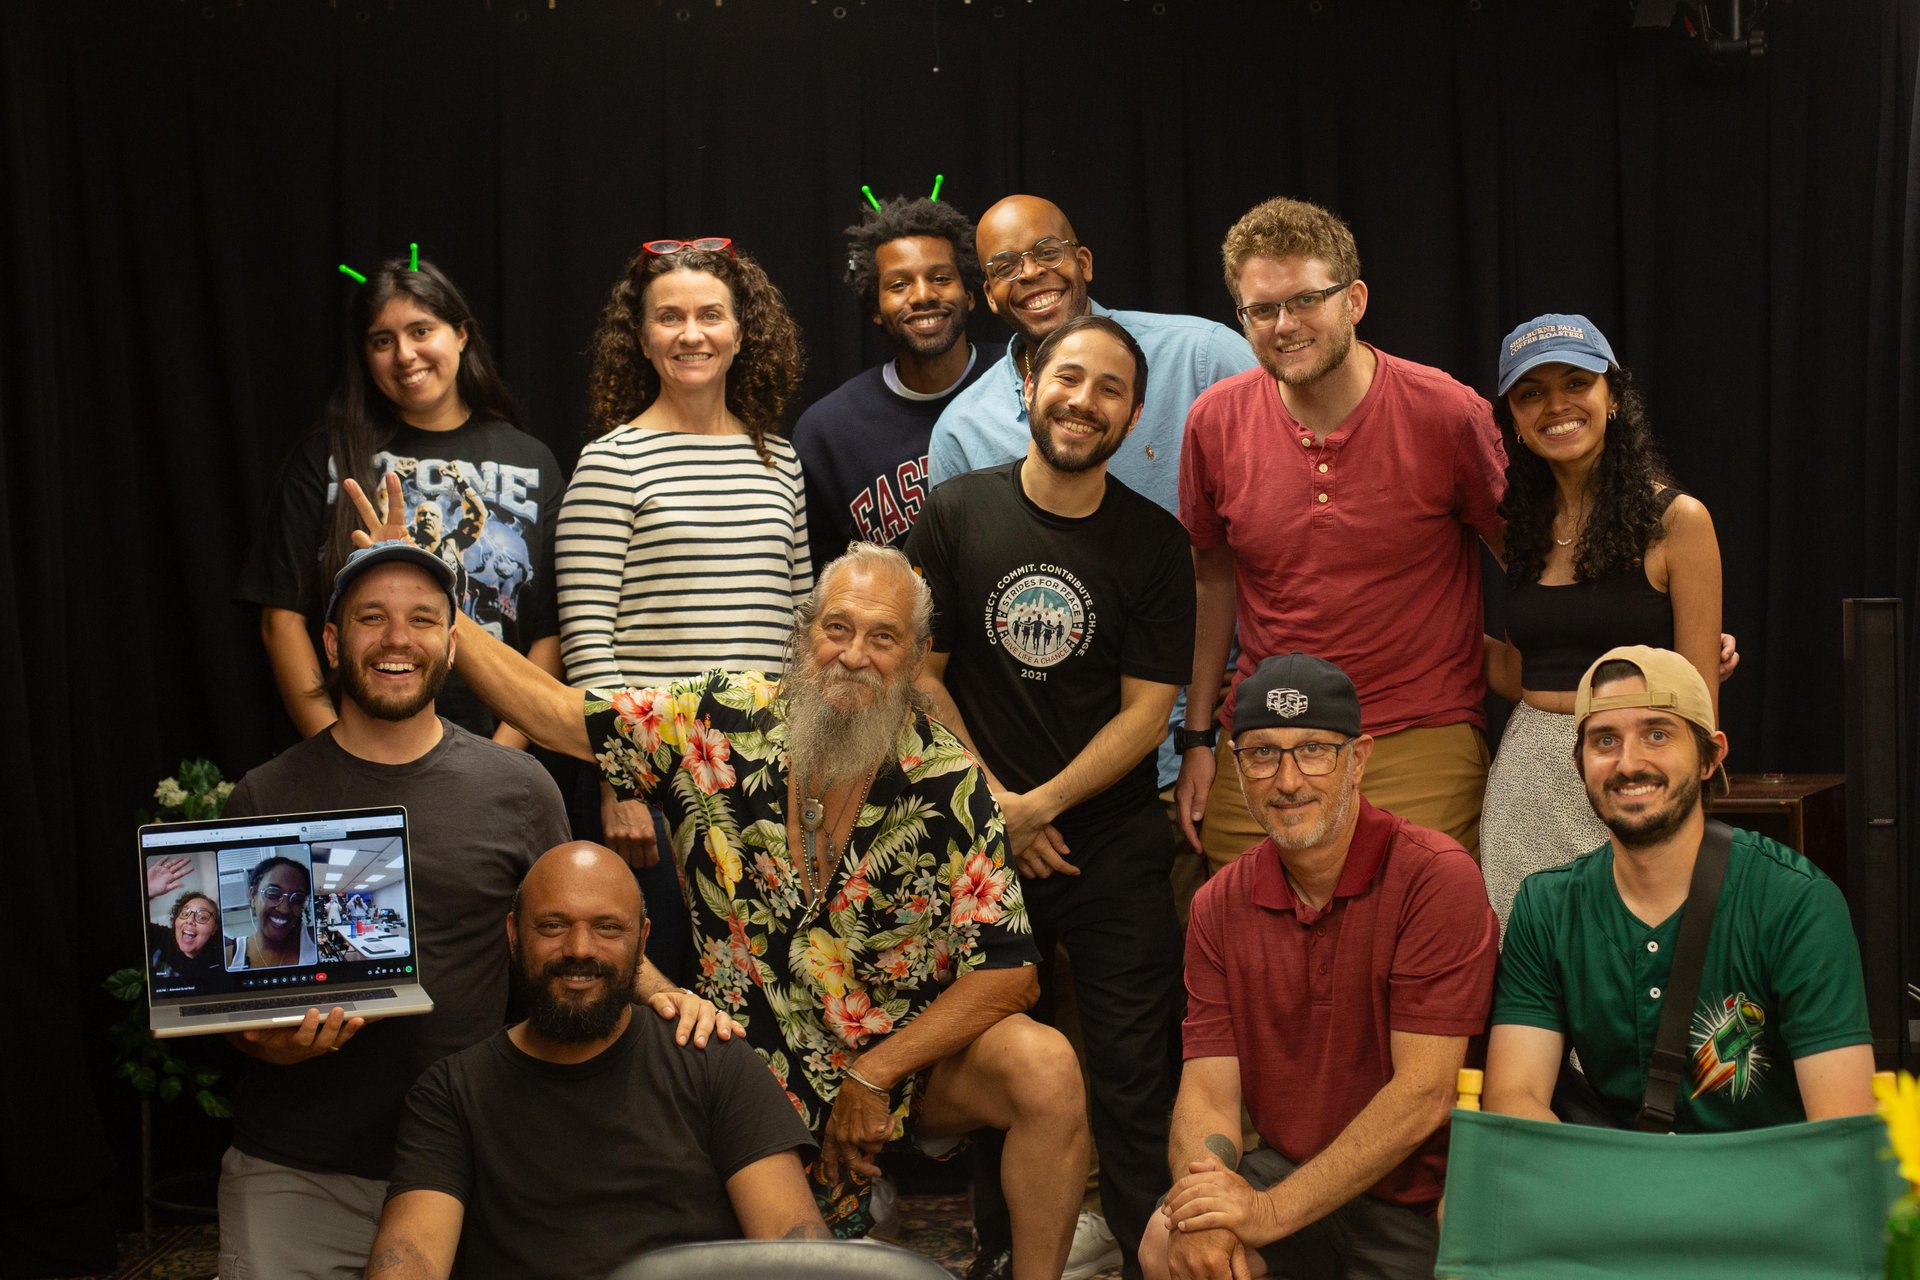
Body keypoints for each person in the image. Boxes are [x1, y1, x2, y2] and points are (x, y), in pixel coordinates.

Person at [347, 468, 1093, 1280]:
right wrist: (435, 610)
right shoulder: (717, 719)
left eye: (883, 639)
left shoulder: (949, 781)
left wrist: (875, 1075)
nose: (854, 655)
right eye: (837, 628)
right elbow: (557, 715)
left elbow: (1010, 973)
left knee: (1045, 1066)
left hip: (904, 1064)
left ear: (915, 659)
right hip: (739, 1060)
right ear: (803, 634)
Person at [217, 538, 728, 1280]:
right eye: (371, 618)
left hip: (479, 1170)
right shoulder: (264, 797)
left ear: (452, 645)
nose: (398, 639)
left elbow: (572, 936)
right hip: (300, 1170)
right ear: (332, 642)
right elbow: (232, 1006)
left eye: (423, 619)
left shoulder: (519, 787)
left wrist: (666, 994)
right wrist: (272, 1045)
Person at [908, 314, 1196, 1280]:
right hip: (981, 838)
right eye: (1069, 379)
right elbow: (923, 676)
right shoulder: (953, 513)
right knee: (1003, 1058)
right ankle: (1005, 1254)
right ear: (1028, 383)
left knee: (1130, 1068)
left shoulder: (1155, 544)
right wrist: (999, 805)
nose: (1085, 402)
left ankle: (1149, 1250)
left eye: (1110, 389)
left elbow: (1148, 714)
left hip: (1111, 839)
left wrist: (1043, 807)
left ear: (1135, 414)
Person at [1176, 196, 1507, 871]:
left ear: (1353, 300)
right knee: (1241, 935)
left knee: (1421, 918)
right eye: (1261, 310)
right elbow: (1213, 578)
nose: (1284, 325)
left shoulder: (1445, 413)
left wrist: (1642, 634)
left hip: (1416, 726)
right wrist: (1200, 739)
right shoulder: (1214, 422)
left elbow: (1528, 564)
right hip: (1266, 725)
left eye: (1304, 301)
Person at [1141, 653, 1497, 1280]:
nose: (1287, 780)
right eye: (1262, 754)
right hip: (1290, 1171)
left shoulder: (1435, 878)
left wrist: (1265, 1212)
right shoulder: (1217, 904)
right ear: (1235, 767)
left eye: (1313, 751)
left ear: (1358, 760)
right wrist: (1212, 1210)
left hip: (1418, 1203)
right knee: (1166, 1244)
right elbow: (1207, 1092)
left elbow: (1425, 1094)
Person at [928, 194, 1256, 810]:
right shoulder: (962, 431)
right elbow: (955, 636)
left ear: (1083, 260)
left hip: (1220, 739)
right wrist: (1007, 802)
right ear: (989, 295)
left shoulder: (1204, 358)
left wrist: (1213, 719)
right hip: (1034, 779)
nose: (1029, 273)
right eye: (1004, 266)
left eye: (1046, 252)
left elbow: (1278, 513)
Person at [365, 842, 826, 1280]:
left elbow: (792, 1243)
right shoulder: (451, 1093)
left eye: (607, 927)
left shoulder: (713, 1060)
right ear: (513, 935)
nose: (580, 949)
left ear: (642, 940)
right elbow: (412, 1255)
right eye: (552, 925)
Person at [1485, 646, 1875, 1131]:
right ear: (1580, 765)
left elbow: (1842, 1132)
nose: (1629, 763)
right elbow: (1513, 1100)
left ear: (1711, 757)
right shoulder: (1547, 907)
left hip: (1767, 1194)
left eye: (1657, 734)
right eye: (1605, 741)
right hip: (1614, 1190)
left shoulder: (1797, 903)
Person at [555, 238, 810, 973]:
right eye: (669, 317)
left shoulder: (778, 458)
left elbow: (799, 626)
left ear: (741, 331)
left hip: (766, 783)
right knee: (670, 999)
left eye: (709, 315)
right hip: (657, 794)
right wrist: (620, 786)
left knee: (765, 990)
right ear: (641, 338)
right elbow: (588, 645)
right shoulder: (612, 461)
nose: (690, 334)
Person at [237, 253, 565, 744]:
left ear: (461, 333)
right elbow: (280, 620)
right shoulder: (327, 454)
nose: (405, 355)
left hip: (496, 748)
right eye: (382, 341)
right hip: (358, 744)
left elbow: (550, 630)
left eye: (421, 330)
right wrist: (332, 749)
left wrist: (505, 757)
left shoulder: (530, 459)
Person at [1478, 314, 1723, 927]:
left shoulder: (1679, 521)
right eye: (1531, 393)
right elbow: (1519, 671)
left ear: (1612, 397)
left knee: (1635, 974)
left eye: (1575, 383)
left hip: (1632, 768)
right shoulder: (1524, 528)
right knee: (1531, 975)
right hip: (1525, 781)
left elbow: (1699, 703)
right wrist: (1419, 630)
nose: (1556, 405)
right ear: (1513, 417)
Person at [792, 196, 989, 570]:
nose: (923, 295)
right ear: (875, 310)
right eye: (899, 284)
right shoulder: (828, 432)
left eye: (941, 278)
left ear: (971, 294)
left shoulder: (1023, 380)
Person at [224, 854, 320, 970]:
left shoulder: (316, 941)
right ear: (253, 896)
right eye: (273, 893)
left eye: (297, 898)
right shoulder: (230, 957)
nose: (284, 909)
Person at [143, 856, 222, 983]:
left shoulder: (225, 953)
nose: (190, 920)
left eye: (202, 917)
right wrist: (148, 892)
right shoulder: (162, 937)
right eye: (185, 913)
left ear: (214, 929)